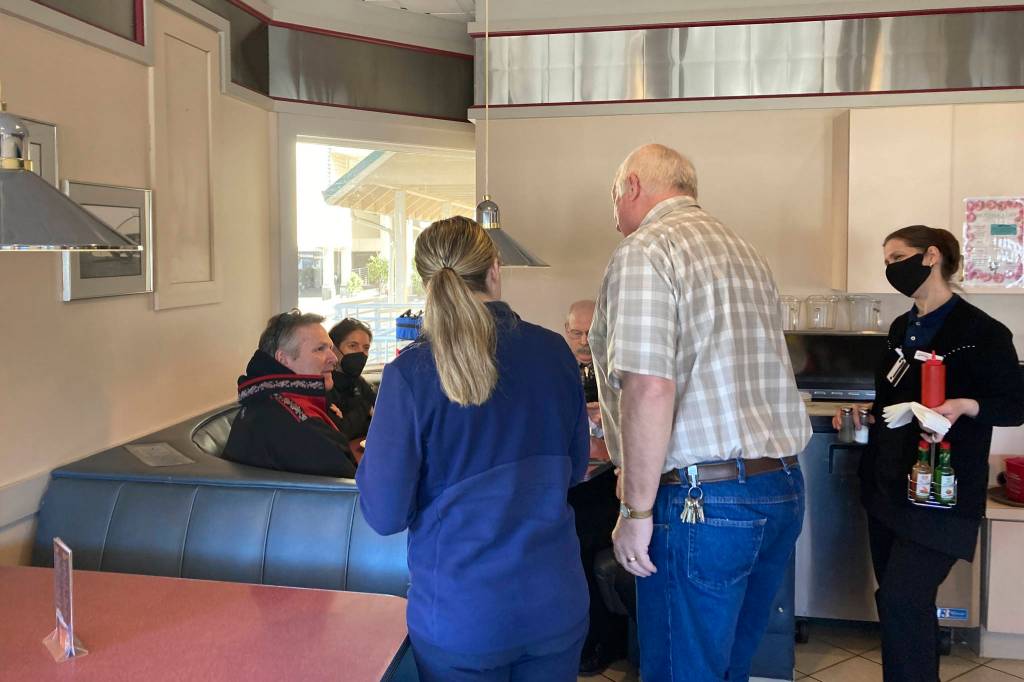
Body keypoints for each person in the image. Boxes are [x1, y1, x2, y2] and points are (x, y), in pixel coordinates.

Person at [588, 144, 811, 682]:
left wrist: (636, 513)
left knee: (680, 671)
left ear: (634, 186)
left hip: (701, 502)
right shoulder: (744, 250)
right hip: (780, 486)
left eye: (614, 197)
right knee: (729, 664)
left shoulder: (647, 249)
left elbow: (649, 386)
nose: (614, 213)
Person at [356, 216, 590, 682]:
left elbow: (384, 515)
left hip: (463, 614)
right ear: (495, 270)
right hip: (555, 602)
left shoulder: (411, 375)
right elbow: (576, 469)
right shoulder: (554, 353)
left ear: (427, 283)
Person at [834, 225, 1024, 682]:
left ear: (931, 256)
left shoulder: (982, 331)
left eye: (898, 256)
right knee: (899, 604)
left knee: (903, 598)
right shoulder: (902, 328)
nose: (890, 268)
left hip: (941, 491)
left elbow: (1015, 405)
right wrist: (865, 415)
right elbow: (888, 400)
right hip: (888, 487)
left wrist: (964, 406)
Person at [562, 299, 628, 675]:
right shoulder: (555, 371)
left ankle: (602, 640)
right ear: (566, 332)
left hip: (612, 483)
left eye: (591, 332)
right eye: (576, 332)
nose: (585, 340)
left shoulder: (617, 370)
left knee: (587, 545)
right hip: (572, 481)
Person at [222, 309, 357, 478]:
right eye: (320, 349)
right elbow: (354, 489)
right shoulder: (294, 420)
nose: (334, 358)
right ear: (283, 359)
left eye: (330, 348)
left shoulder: (266, 401)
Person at [327, 317, 377, 458]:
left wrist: (353, 419)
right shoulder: (325, 384)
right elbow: (340, 433)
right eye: (353, 346)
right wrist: (365, 409)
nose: (361, 353)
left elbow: (381, 419)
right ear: (334, 349)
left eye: (366, 348)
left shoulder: (358, 382)